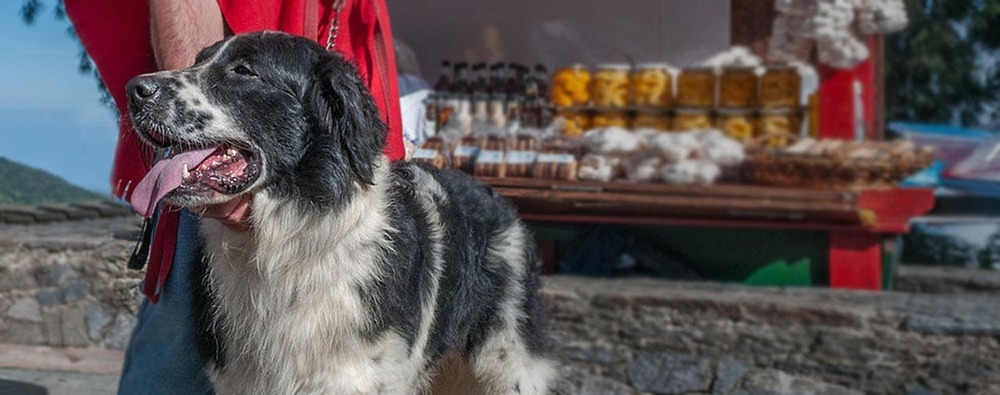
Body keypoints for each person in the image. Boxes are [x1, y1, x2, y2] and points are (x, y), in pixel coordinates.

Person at [64, 1, 405, 393]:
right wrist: (196, 139)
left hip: (332, 195)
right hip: (237, 187)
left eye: (240, 70)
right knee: (180, 362)